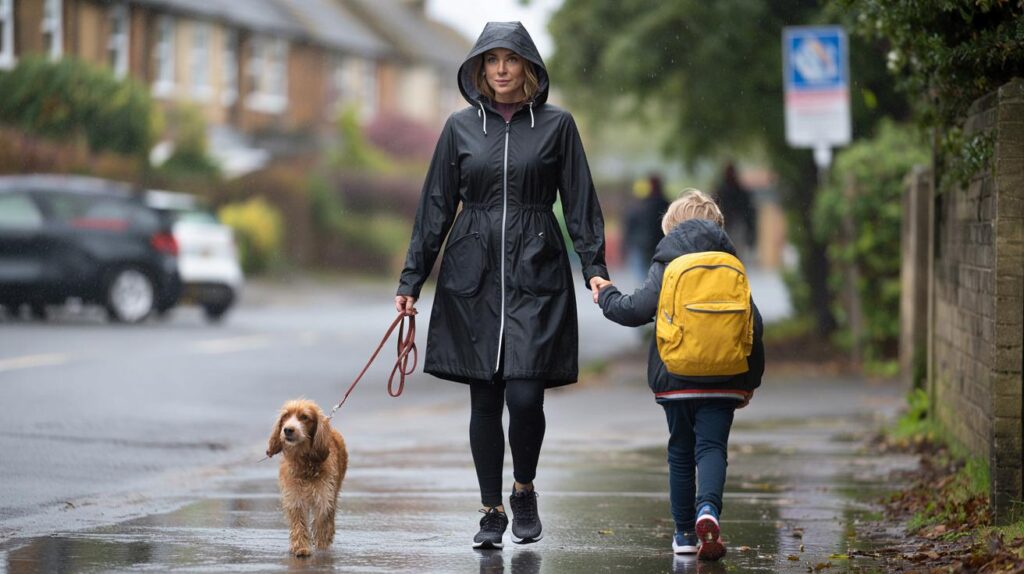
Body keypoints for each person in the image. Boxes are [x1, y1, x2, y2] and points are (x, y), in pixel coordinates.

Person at [394, 21, 609, 550]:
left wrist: (594, 264)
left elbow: (579, 200)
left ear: (529, 67)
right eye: (492, 61)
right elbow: (435, 207)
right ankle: (491, 510)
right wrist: (411, 279)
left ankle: (524, 488)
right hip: (474, 273)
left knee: (527, 394)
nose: (502, 69)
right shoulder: (460, 128)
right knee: (484, 398)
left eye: (511, 59)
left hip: (537, 267)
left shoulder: (558, 126)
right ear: (480, 70)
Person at [593, 190, 764, 561]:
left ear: (670, 227)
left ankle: (685, 534)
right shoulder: (731, 263)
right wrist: (749, 381)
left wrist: (606, 295)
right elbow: (754, 325)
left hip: (676, 378)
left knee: (681, 453)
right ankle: (709, 511)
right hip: (726, 378)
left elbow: (636, 310)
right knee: (713, 448)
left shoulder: (668, 263)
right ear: (717, 225)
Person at [622, 174, 670, 281]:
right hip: (660, 246)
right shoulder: (666, 204)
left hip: (642, 247)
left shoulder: (638, 207)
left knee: (645, 280)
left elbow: (629, 228)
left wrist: (625, 246)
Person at [714, 162, 756, 256]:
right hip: (726, 226)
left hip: (736, 226)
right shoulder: (722, 190)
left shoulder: (737, 191)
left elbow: (748, 212)